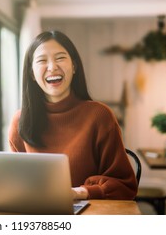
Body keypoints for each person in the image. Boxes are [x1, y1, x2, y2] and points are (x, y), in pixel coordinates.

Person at [8, 30, 137, 200]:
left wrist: (80, 192)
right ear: (32, 73)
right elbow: (16, 182)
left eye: (60, 58)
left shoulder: (99, 116)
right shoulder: (20, 121)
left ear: (74, 66)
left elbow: (125, 185)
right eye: (42, 60)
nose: (52, 67)